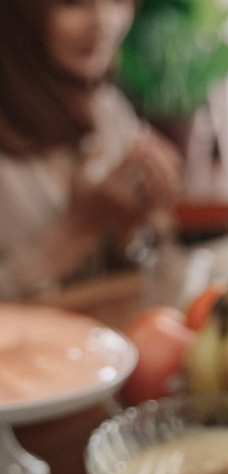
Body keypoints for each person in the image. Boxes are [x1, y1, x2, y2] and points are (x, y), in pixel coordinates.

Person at [0, 0, 181, 299]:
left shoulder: (108, 108)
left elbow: (158, 283)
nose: (105, 22)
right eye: (74, 2)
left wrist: (141, 224)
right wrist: (79, 227)